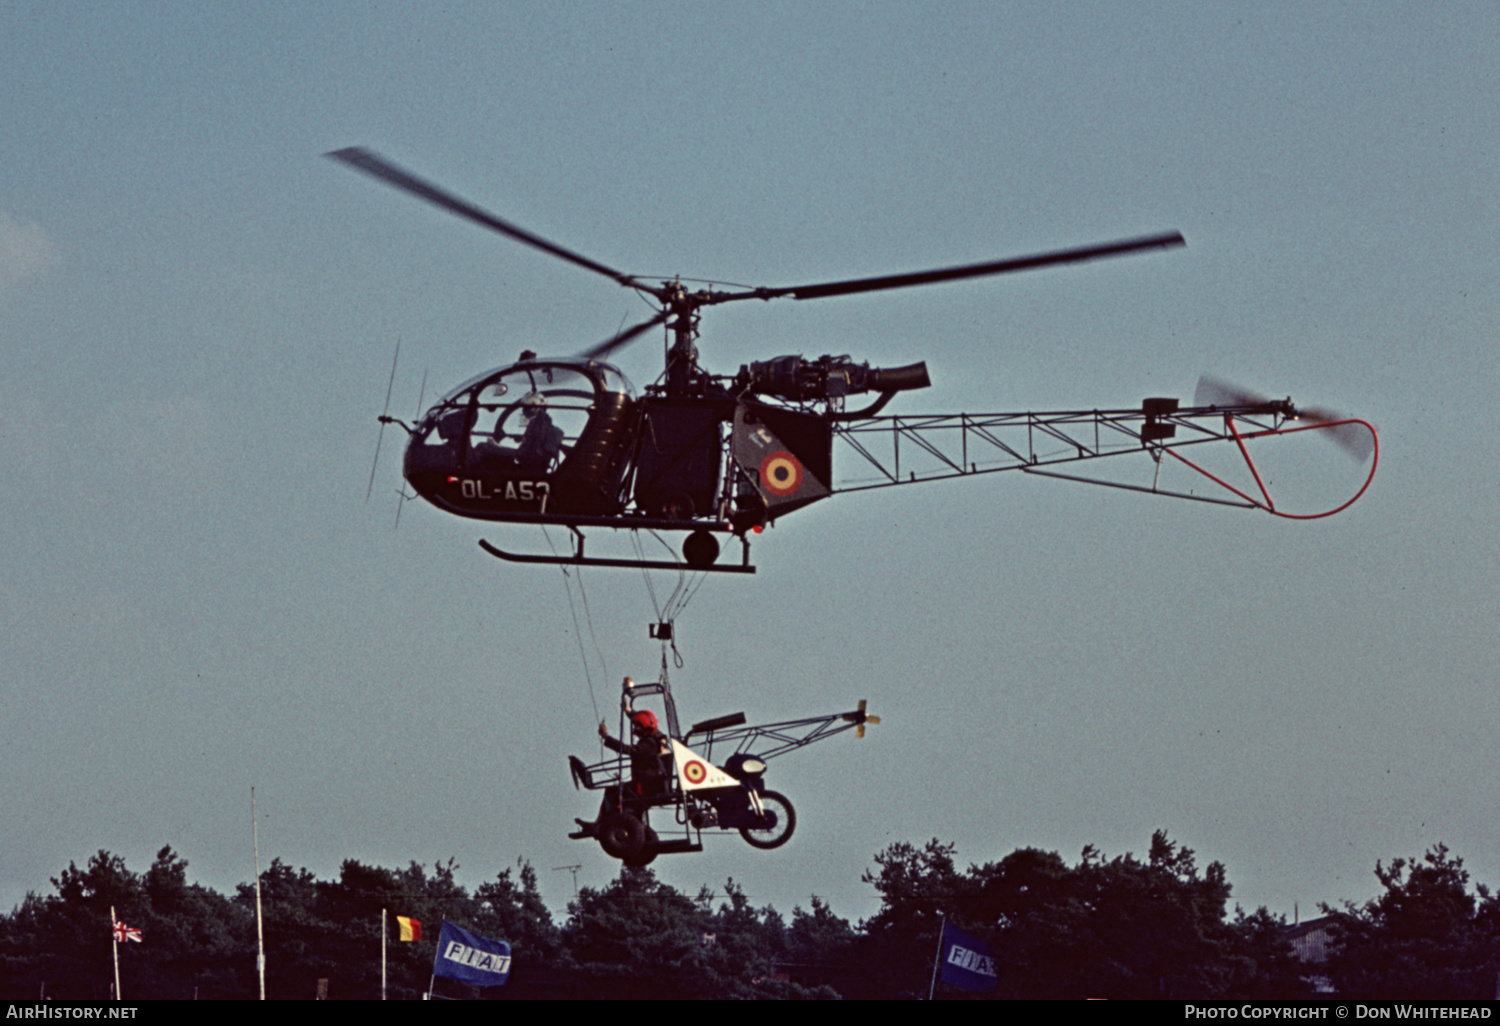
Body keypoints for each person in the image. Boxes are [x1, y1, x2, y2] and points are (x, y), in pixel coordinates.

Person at [599, 708, 671, 799]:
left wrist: (606, 737)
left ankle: (628, 812)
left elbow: (627, 749)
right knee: (614, 791)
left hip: (646, 786)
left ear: (642, 727)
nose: (635, 728)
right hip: (649, 784)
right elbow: (647, 721)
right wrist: (628, 710)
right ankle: (632, 812)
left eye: (637, 726)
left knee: (612, 793)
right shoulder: (655, 740)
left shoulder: (648, 744)